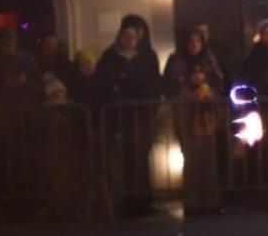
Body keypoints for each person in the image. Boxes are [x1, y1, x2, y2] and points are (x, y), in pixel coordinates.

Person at [93, 14, 162, 216]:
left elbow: (153, 83)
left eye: (134, 36)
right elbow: (104, 83)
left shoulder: (146, 56)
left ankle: (143, 199)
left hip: (141, 115)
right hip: (119, 117)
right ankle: (125, 201)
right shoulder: (110, 56)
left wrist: (151, 105)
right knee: (122, 160)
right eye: (126, 36)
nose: (130, 40)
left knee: (141, 158)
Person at [164, 25, 226, 215]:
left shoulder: (210, 59)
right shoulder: (176, 60)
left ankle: (211, 199)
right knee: (190, 158)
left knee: (209, 158)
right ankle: (192, 200)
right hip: (185, 115)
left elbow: (220, 80)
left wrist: (206, 86)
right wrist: (188, 84)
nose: (193, 45)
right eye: (190, 41)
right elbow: (169, 84)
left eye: (197, 41)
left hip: (207, 115)